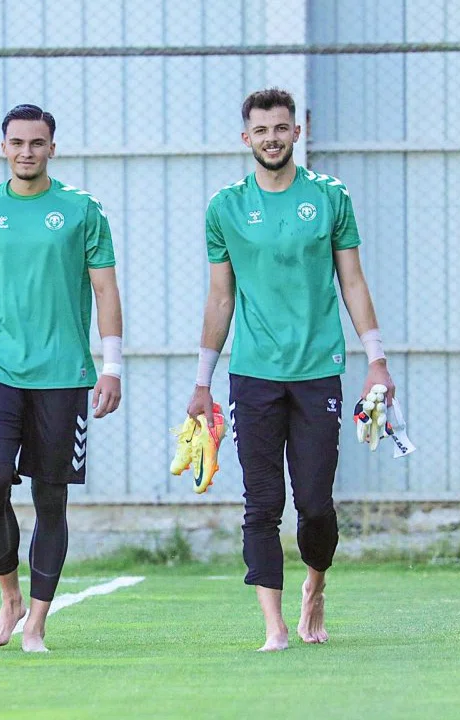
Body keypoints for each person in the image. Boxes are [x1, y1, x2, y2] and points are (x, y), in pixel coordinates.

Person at [187, 88, 395, 652]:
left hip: (317, 371)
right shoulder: (226, 206)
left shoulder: (329, 197)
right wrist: (203, 382)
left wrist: (376, 361)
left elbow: (353, 281)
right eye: (261, 130)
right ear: (246, 138)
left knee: (315, 505)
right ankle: (273, 626)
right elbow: (220, 297)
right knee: (261, 503)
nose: (272, 138)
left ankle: (316, 586)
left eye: (281, 128)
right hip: (253, 375)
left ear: (296, 132)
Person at [0, 104, 123, 653]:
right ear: (3, 147)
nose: (27, 151)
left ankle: (36, 620)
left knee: (50, 497)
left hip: (63, 375)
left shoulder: (82, 210)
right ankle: (9, 598)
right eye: (17, 142)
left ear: (52, 148)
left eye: (37, 143)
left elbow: (105, 288)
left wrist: (111, 366)